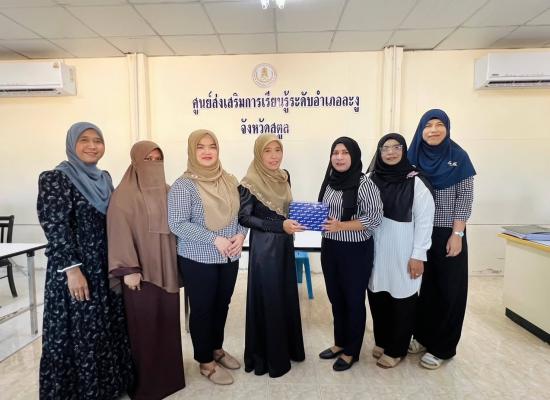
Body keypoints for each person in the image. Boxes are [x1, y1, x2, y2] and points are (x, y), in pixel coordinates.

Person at [37, 122, 133, 399]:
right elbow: (56, 228)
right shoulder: (56, 178)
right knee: (80, 330)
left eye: (97, 140)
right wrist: (72, 271)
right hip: (77, 269)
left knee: (103, 327)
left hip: (104, 266)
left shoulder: (104, 179)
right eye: (84, 140)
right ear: (71, 144)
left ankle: (108, 388)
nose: (92, 146)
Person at [107, 141, 185, 399]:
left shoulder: (169, 191)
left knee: (168, 324)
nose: (153, 164)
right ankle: (147, 387)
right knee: (145, 328)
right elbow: (118, 231)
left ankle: (171, 380)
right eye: (147, 159)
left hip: (167, 270)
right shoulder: (124, 195)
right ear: (135, 162)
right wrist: (128, 269)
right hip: (140, 274)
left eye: (157, 159)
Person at [168, 129, 246, 385]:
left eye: (212, 146)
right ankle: (205, 362)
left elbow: (241, 213)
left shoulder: (230, 180)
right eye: (200, 147)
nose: (207, 151)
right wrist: (214, 239)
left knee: (222, 305)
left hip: (229, 257)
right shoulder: (183, 185)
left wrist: (241, 235)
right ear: (192, 151)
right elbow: (177, 223)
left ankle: (216, 349)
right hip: (198, 258)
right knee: (202, 309)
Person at [407, 109, 476, 369]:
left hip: (448, 233)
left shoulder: (458, 157)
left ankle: (443, 347)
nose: (433, 130)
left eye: (439, 125)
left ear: (447, 128)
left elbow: (465, 198)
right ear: (421, 129)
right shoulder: (412, 156)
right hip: (418, 232)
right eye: (428, 125)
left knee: (449, 290)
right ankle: (422, 336)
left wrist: (457, 234)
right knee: (424, 289)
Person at [238, 133, 305, 378]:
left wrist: (301, 219)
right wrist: (279, 226)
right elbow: (244, 218)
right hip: (265, 249)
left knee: (285, 296)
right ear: (259, 153)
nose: (274, 156)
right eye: (268, 150)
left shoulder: (284, 176)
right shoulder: (249, 183)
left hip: (285, 244)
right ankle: (269, 358)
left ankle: (288, 349)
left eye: (278, 150)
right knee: (270, 299)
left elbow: (287, 209)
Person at [366, 133, 435, 369]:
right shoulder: (370, 179)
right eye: (385, 148)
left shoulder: (416, 182)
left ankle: (396, 349)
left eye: (396, 147)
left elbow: (425, 222)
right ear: (379, 152)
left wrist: (418, 255)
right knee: (377, 296)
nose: (391, 152)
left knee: (402, 300)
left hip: (404, 251)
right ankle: (382, 341)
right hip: (376, 250)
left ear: (404, 151)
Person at [317, 136, 383, 371]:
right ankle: (340, 342)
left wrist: (342, 226)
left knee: (353, 300)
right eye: (335, 152)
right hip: (330, 248)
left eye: (345, 152)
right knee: (336, 298)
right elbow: (324, 212)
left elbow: (375, 218)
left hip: (355, 251)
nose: (339, 157)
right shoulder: (330, 181)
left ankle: (351, 351)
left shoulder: (365, 184)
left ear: (354, 156)